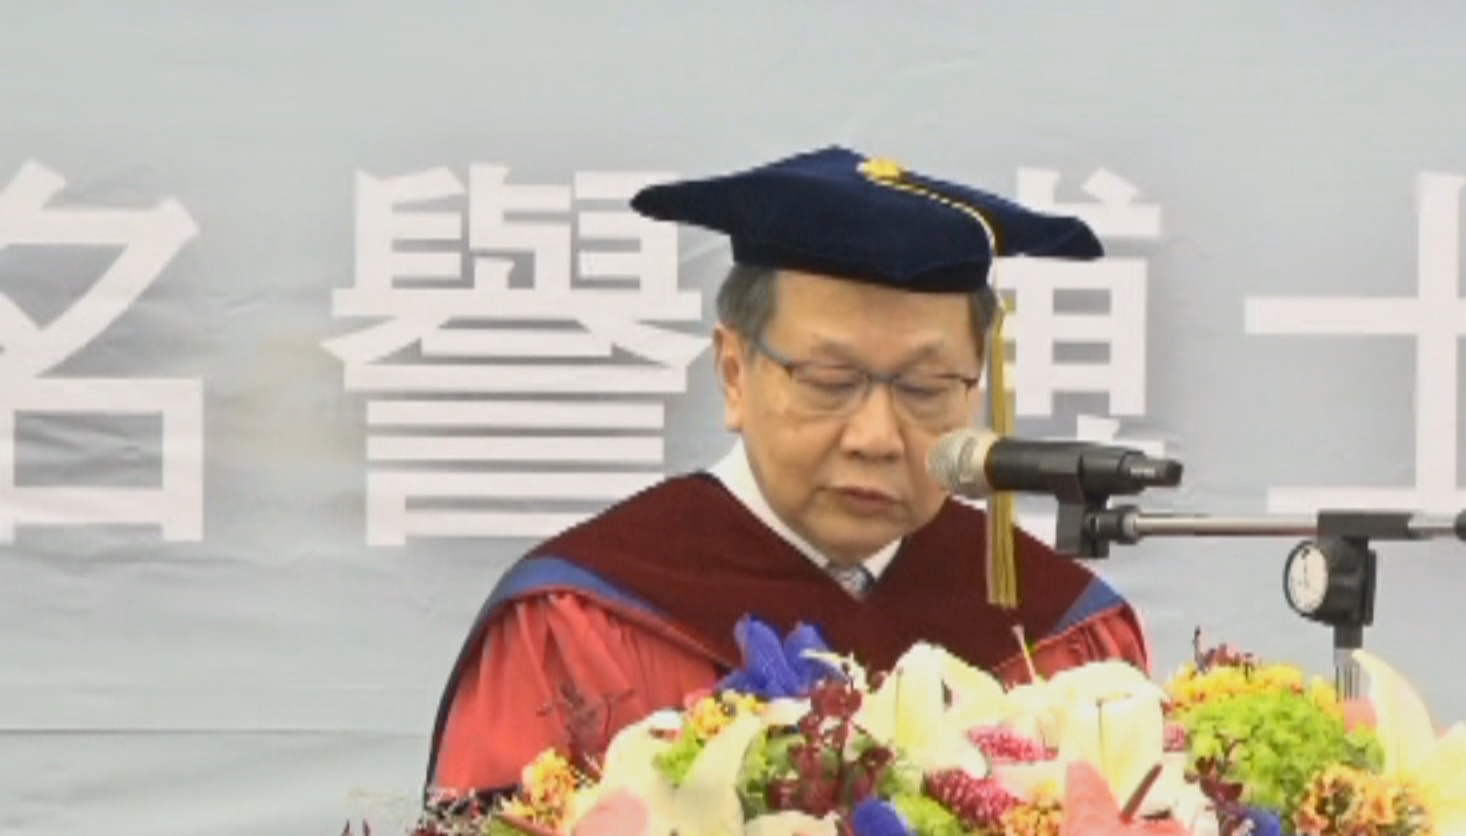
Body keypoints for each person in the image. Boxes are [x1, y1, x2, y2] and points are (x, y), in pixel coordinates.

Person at [423, 147, 1151, 799]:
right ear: (734, 372)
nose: (876, 437)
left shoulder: (1059, 637)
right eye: (830, 381)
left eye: (926, 389)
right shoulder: (580, 621)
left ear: (975, 391)